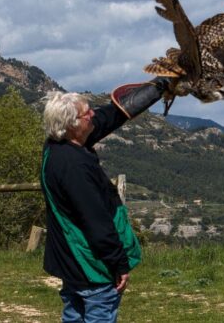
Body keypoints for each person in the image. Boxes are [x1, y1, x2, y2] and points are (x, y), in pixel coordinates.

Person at [39, 77, 174, 322]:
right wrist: (119, 264)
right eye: (86, 112)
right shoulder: (75, 167)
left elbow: (109, 116)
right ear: (71, 124)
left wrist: (159, 87)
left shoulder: (59, 146)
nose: (93, 113)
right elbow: (96, 221)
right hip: (91, 265)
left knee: (73, 316)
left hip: (70, 263)